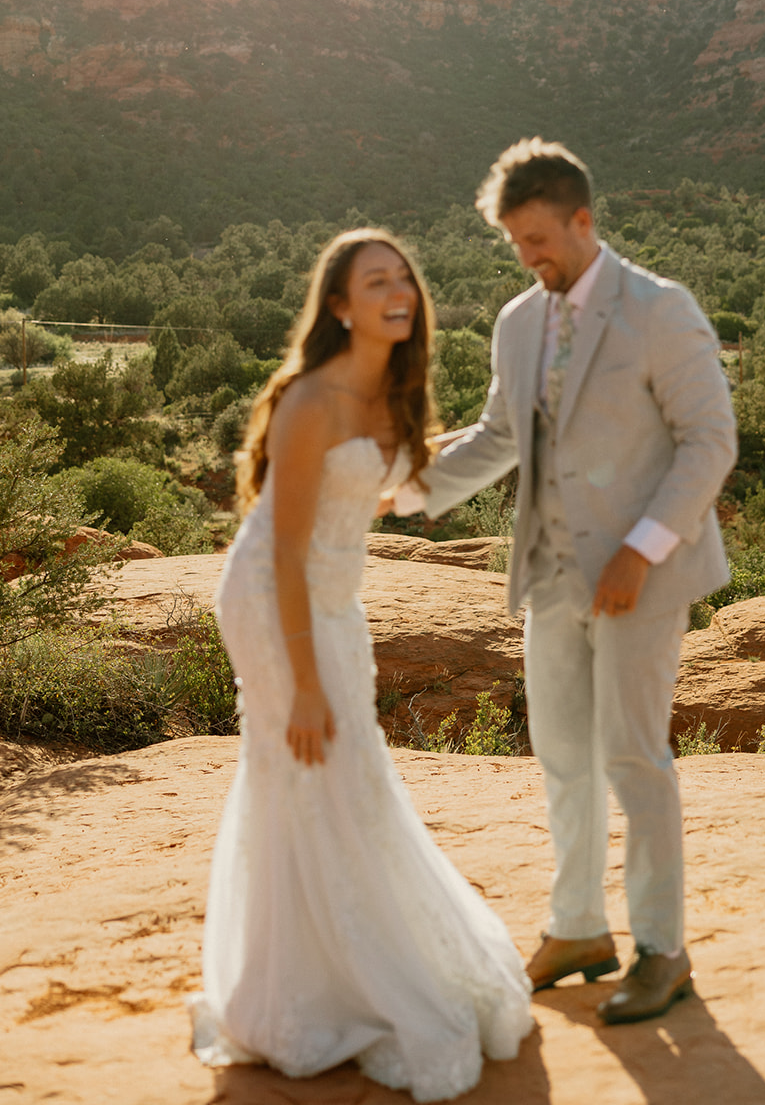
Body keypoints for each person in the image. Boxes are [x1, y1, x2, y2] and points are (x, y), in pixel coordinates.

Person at [393, 141, 737, 1025]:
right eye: (514, 242)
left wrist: (640, 550)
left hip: (639, 580)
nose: (526, 256)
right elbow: (498, 436)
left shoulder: (660, 309)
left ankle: (663, 950)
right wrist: (406, 487)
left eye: (538, 238)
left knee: (633, 759)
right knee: (561, 760)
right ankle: (579, 928)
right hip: (548, 579)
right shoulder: (518, 322)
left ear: (583, 221)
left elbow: (709, 443)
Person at [188, 228, 532, 1101]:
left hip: (334, 605)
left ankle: (331, 971)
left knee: (345, 775)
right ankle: (309, 989)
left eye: (403, 279)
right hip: (276, 606)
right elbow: (284, 553)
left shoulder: (394, 395)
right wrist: (303, 682)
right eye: (375, 281)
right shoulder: (310, 401)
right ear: (339, 306)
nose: (397, 290)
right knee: (310, 761)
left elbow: (391, 487)